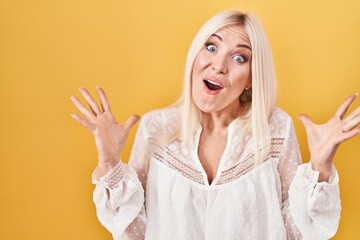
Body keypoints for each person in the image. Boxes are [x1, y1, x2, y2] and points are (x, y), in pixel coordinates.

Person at [70, 10, 360, 240]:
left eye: (239, 57)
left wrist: (320, 168)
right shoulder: (155, 129)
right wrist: (109, 164)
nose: (218, 65)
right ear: (194, 56)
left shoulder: (275, 129)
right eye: (211, 47)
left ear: (251, 78)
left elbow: (293, 234)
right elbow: (134, 233)